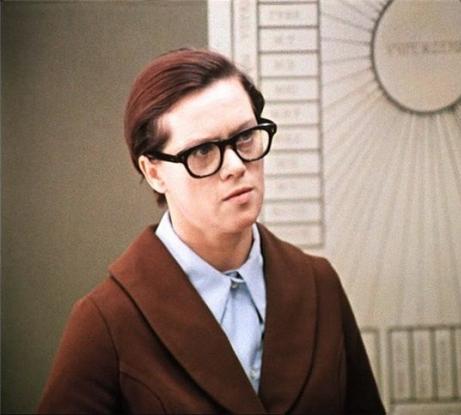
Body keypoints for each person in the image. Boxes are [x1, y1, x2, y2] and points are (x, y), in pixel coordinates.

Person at [38, 48, 385, 414]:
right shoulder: (107, 319)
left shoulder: (318, 283)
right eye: (203, 151)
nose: (235, 166)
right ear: (154, 172)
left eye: (245, 137)